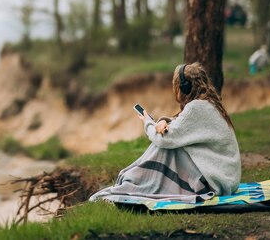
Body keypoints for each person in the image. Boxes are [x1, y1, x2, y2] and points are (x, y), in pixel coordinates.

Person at [89, 63, 241, 204]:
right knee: (171, 144)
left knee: (165, 148)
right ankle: (134, 178)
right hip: (226, 178)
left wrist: (148, 122)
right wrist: (163, 122)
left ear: (184, 87)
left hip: (216, 182)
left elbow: (164, 140)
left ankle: (133, 180)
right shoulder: (208, 104)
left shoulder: (196, 108)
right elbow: (181, 128)